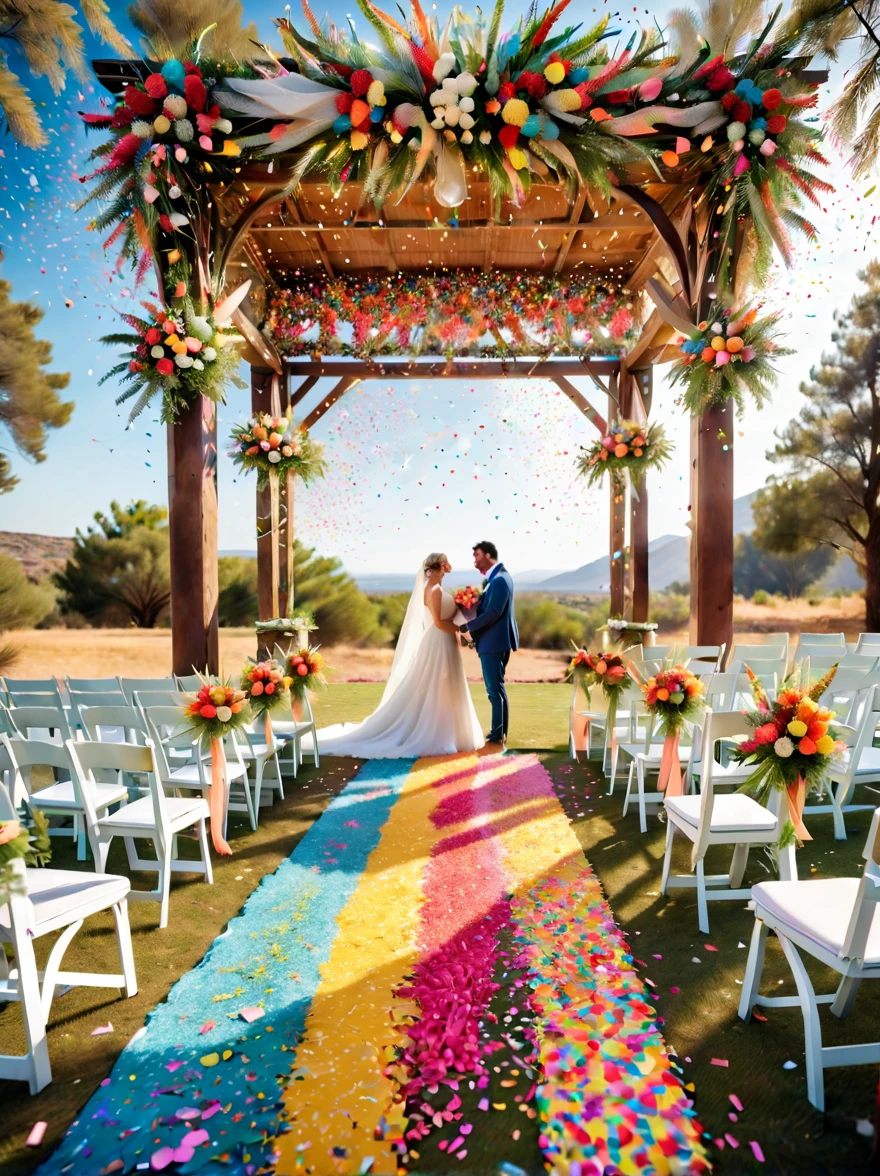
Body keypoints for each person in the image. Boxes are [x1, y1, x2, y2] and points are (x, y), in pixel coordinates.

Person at [309, 553, 484, 758]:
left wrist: (464, 614)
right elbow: (437, 621)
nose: (446, 570)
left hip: (445, 641)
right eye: (444, 566)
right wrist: (460, 630)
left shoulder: (437, 589)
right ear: (438, 567)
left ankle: (454, 734)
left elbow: (445, 616)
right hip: (439, 641)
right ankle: (436, 734)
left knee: (448, 685)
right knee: (438, 686)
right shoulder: (434, 590)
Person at [459, 541, 518, 746]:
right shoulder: (498, 578)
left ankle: (496, 734)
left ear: (488, 555)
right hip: (495, 641)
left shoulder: (500, 580)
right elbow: (489, 607)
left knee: (494, 690)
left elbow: (494, 612)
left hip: (494, 642)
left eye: (477, 555)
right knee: (498, 689)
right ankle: (499, 733)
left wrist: (468, 627)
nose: (474, 560)